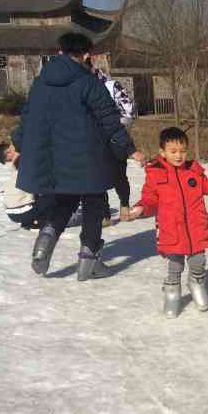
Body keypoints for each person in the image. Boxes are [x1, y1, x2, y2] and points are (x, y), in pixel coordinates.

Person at [12, 32, 145, 281]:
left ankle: (45, 240)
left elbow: (27, 118)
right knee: (94, 203)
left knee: (64, 201)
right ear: (85, 54)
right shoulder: (88, 82)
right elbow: (110, 121)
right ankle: (89, 263)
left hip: (55, 159)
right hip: (88, 156)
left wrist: (18, 144)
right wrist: (129, 148)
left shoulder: (40, 83)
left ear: (59, 51)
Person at [129, 127, 208, 318]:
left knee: (198, 260)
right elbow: (150, 199)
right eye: (173, 151)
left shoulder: (193, 170)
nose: (178, 155)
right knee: (175, 264)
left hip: (196, 227)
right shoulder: (155, 173)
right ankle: (172, 291)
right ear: (162, 152)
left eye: (182, 151)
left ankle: (196, 282)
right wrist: (141, 208)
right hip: (170, 229)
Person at [85, 57, 136, 225]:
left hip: (115, 139)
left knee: (119, 175)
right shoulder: (78, 89)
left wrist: (112, 125)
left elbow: (129, 112)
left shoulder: (111, 86)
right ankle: (104, 213)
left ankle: (124, 205)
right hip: (92, 142)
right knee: (96, 176)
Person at [0, 141, 54, 229]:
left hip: (12, 214)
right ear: (10, 150)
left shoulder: (14, 167)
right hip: (24, 211)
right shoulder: (24, 162)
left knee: (37, 194)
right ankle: (46, 221)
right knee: (52, 194)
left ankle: (28, 222)